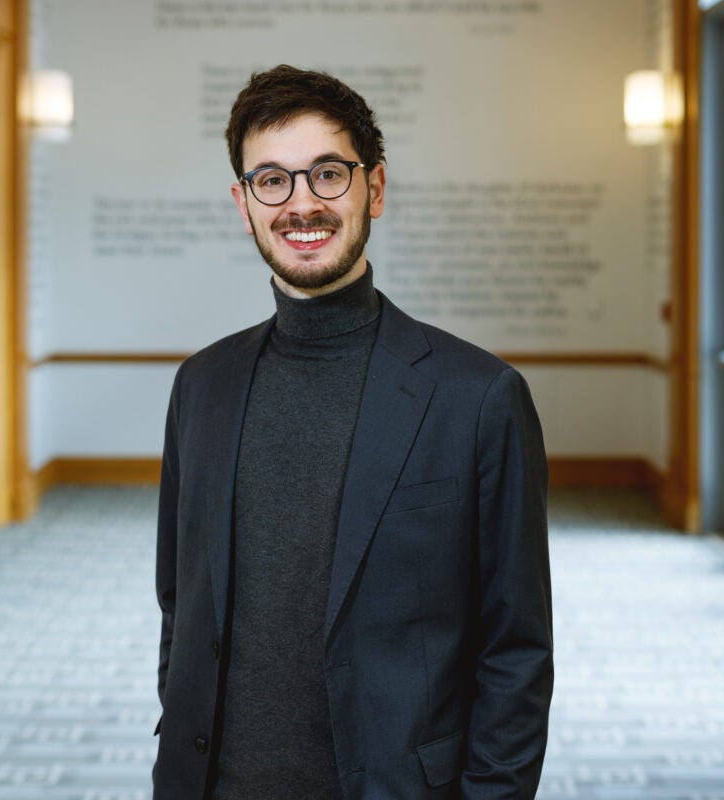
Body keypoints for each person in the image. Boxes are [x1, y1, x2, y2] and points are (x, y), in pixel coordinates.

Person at [152, 64, 553, 800]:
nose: (301, 203)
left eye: (326, 174)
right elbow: (181, 601)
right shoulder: (200, 387)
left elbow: (516, 651)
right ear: (243, 205)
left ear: (374, 187)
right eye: (271, 180)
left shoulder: (479, 398)